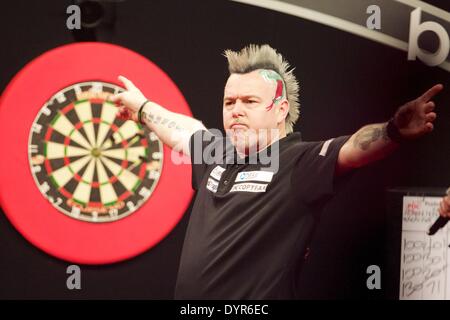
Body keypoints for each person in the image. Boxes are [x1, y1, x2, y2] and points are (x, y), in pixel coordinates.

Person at [111, 44, 444, 299]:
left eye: (249, 102)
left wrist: (392, 130)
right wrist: (142, 108)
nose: (236, 111)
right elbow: (184, 130)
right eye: (229, 103)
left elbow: (355, 148)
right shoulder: (217, 153)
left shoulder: (300, 163)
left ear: (281, 109)